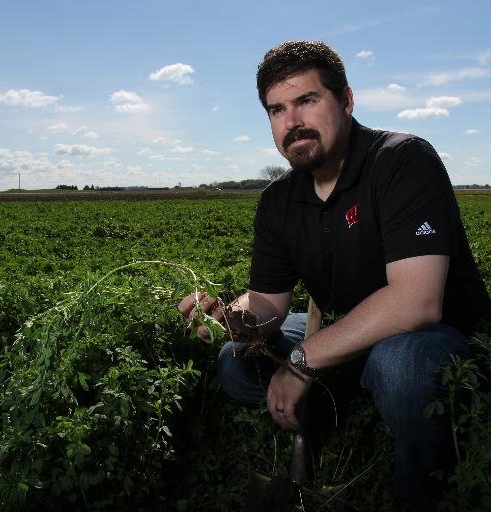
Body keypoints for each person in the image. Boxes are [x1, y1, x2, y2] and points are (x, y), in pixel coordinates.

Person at [178, 41, 491, 511]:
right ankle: (334, 402)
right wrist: (234, 316)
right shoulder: (278, 201)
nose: (292, 121)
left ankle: (427, 492)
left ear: (345, 101)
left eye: (307, 100)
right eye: (277, 109)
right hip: (342, 330)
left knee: (401, 367)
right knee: (234, 360)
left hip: (436, 336)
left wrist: (304, 359)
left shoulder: (402, 161)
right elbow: (266, 302)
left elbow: (416, 303)